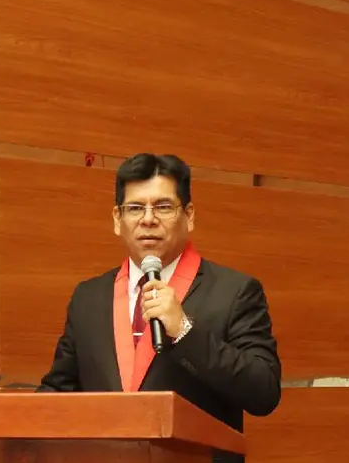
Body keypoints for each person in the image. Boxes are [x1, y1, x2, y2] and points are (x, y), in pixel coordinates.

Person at [37, 153, 281, 463]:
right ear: (117, 219)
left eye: (163, 206)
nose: (148, 219)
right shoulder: (89, 297)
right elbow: (59, 389)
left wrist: (184, 331)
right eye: (135, 208)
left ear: (189, 215)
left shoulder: (234, 292)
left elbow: (264, 392)